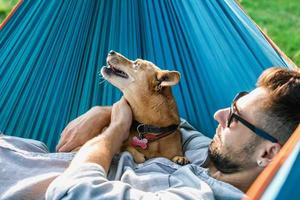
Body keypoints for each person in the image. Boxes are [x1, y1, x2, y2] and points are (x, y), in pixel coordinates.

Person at [0, 67, 299, 200]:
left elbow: (71, 193)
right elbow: (167, 121)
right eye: (233, 102)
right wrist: (101, 112)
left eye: (235, 117)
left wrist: (113, 133)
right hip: (23, 152)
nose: (218, 114)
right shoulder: (206, 150)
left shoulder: (199, 195)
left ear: (267, 153)